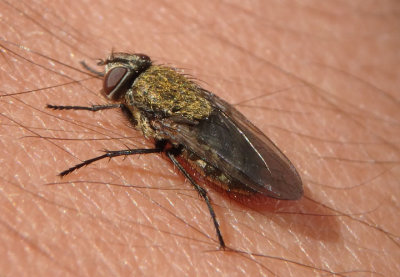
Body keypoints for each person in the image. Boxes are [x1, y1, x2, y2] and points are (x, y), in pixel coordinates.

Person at [0, 1, 398, 276]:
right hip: (208, 115)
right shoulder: (163, 87)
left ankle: (205, 200)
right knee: (179, 140)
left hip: (220, 159)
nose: (117, 72)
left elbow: (165, 141)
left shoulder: (148, 108)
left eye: (114, 77)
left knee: (174, 150)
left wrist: (94, 130)